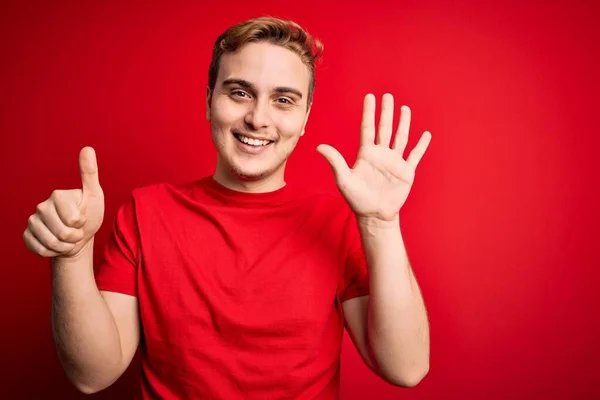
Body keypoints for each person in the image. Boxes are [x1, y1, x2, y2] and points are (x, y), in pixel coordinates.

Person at [23, 16, 432, 399]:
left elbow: (407, 367)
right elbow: (92, 375)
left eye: (283, 100)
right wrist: (72, 255)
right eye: (240, 93)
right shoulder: (146, 211)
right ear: (209, 101)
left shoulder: (335, 223)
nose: (257, 117)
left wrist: (381, 223)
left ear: (305, 117)